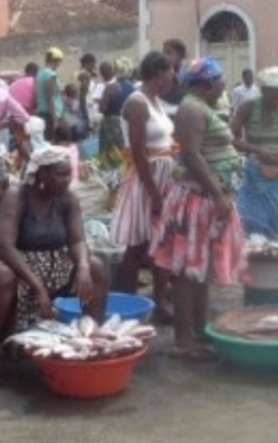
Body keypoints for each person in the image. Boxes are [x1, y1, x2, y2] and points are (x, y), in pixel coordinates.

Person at [0, 146, 109, 387]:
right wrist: (38, 288)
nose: (67, 179)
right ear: (42, 174)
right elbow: (5, 247)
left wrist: (83, 267)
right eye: (60, 174)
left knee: (97, 267)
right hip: (14, 261)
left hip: (53, 261)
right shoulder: (16, 195)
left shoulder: (68, 198)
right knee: (1, 275)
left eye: (69, 173)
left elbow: (77, 240)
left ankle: (92, 341)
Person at [150, 57, 245, 361]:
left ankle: (200, 330)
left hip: (206, 199)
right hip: (196, 199)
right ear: (207, 82)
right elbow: (190, 154)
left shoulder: (200, 106)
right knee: (188, 273)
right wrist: (217, 192)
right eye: (220, 82)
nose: (223, 87)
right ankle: (182, 341)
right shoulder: (192, 109)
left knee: (199, 270)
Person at [110, 51, 175, 321]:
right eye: (170, 71)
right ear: (159, 72)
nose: (173, 76)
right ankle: (125, 303)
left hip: (163, 177)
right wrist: (154, 194)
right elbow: (138, 152)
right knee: (137, 247)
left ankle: (158, 302)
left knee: (161, 242)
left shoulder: (156, 101)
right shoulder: (137, 103)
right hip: (146, 181)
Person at [233, 66, 278, 241]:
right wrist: (257, 150)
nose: (277, 99)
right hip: (256, 170)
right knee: (253, 221)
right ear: (263, 90)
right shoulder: (247, 107)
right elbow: (233, 140)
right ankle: (258, 259)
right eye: (273, 94)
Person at [99, 59, 137, 169]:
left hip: (111, 123)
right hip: (128, 123)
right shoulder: (133, 89)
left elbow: (101, 109)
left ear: (116, 70)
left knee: (110, 151)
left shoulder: (111, 88)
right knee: (125, 149)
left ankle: (110, 176)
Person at [36, 47, 65, 141]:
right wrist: (55, 119)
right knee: (51, 142)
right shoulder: (50, 75)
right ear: (55, 61)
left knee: (46, 141)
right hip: (51, 114)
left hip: (43, 112)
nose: (59, 65)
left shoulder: (40, 73)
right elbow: (50, 97)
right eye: (59, 62)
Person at [160, 38, 187, 118]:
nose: (164, 56)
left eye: (168, 53)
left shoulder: (188, 75)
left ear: (180, 55)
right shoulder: (161, 75)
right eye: (163, 53)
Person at [77, 53, 98, 126]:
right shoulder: (85, 75)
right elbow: (82, 96)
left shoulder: (79, 73)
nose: (94, 66)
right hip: (86, 108)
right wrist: (85, 115)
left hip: (83, 107)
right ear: (88, 63)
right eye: (93, 64)